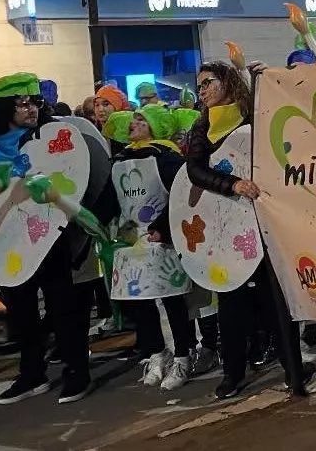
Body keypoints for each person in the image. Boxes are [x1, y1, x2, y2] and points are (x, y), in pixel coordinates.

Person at [0, 74, 99, 406]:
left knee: (63, 307)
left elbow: (75, 177)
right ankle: (31, 373)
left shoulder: (53, 138)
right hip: (11, 240)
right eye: (21, 103)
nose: (30, 109)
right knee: (20, 310)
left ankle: (77, 370)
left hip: (51, 237)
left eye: (34, 102)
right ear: (4, 108)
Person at [184, 61, 279, 399]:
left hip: (264, 218)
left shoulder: (253, 112)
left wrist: (265, 77)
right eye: (199, 87)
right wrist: (232, 184)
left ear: (226, 82)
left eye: (208, 82)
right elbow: (194, 171)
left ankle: (291, 361)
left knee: (273, 298)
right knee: (231, 301)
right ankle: (233, 372)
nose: (203, 90)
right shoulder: (202, 126)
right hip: (225, 224)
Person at [115, 105, 199, 390]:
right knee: (140, 302)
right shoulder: (121, 158)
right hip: (132, 242)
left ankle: (184, 356)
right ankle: (156, 353)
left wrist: (161, 227)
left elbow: (180, 195)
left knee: (173, 300)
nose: (133, 123)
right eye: (133, 118)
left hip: (163, 239)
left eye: (141, 119)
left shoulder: (167, 157)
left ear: (156, 125)